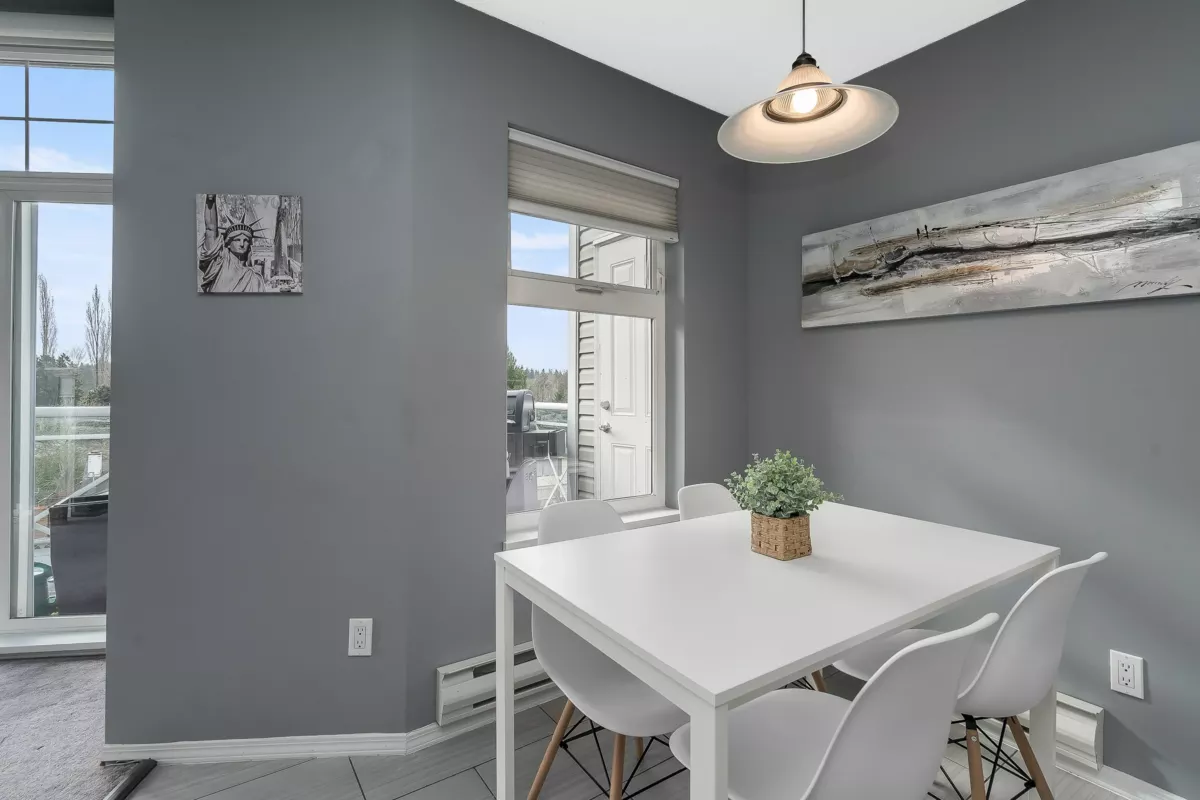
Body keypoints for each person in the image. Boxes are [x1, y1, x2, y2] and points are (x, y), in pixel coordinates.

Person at [198, 194, 268, 293]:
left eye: (246, 240)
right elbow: (210, 229)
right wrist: (211, 201)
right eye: (237, 240)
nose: (242, 244)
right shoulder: (218, 263)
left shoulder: (254, 278)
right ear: (228, 243)